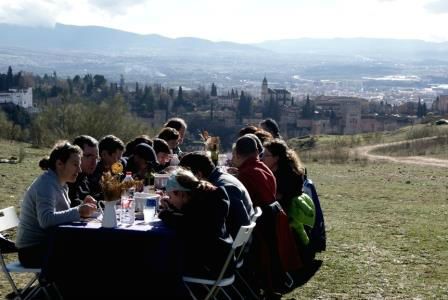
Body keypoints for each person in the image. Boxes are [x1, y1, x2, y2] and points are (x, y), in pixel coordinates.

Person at [15, 141, 97, 268]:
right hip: (32, 251)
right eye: (75, 165)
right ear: (59, 163)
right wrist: (79, 211)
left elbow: (59, 216)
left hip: (47, 244)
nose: (80, 170)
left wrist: (80, 207)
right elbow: (46, 220)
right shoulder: (46, 184)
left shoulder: (60, 183)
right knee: (87, 254)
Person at [159, 168, 233, 278]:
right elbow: (192, 220)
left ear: (181, 194)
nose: (169, 200)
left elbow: (188, 226)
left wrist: (165, 214)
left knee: (160, 259)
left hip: (210, 265)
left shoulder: (201, 205)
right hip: (222, 258)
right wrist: (173, 208)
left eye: (170, 196)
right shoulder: (209, 196)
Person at [179, 152, 254, 238]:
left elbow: (235, 224)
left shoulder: (220, 188)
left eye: (185, 179)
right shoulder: (220, 177)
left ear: (199, 175)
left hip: (230, 242)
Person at [262, 139, 305, 214]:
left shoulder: (287, 176)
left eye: (266, 155)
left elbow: (280, 197)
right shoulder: (272, 171)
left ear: (276, 158)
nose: (262, 158)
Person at [232, 135, 276, 207]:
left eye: (233, 156)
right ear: (257, 152)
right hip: (271, 215)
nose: (232, 160)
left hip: (258, 216)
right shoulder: (265, 169)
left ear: (237, 155)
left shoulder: (245, 174)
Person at [89, 134, 125, 199]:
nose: (119, 162)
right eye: (117, 158)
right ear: (104, 154)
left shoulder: (116, 170)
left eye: (120, 158)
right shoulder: (93, 171)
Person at [68, 135, 99, 207]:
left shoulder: (85, 176)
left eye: (96, 157)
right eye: (89, 156)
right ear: (76, 155)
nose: (94, 162)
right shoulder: (67, 178)